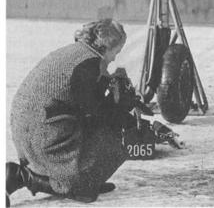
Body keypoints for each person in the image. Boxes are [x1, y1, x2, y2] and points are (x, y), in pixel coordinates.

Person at [7, 19, 134, 205]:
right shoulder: (89, 63)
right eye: (116, 52)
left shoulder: (78, 53)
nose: (115, 58)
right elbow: (93, 112)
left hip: (28, 131)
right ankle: (29, 178)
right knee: (111, 134)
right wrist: (122, 109)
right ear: (107, 46)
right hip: (43, 135)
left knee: (106, 125)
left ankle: (85, 181)